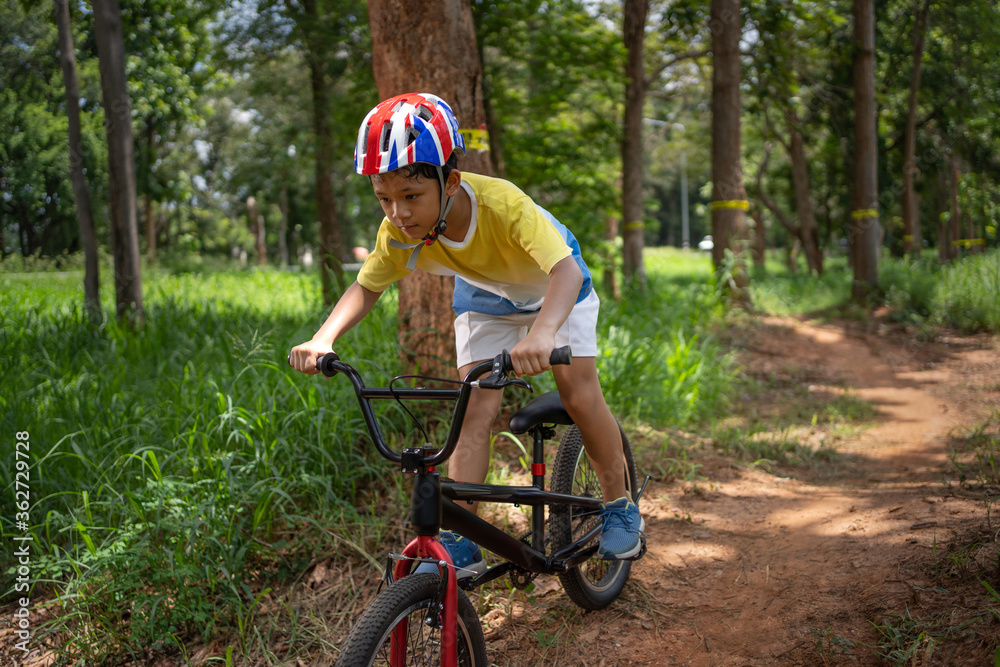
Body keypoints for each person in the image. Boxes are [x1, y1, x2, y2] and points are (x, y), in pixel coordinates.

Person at [288, 92, 644, 575]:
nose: (398, 213)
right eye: (384, 198)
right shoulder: (397, 234)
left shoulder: (502, 204)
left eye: (411, 196)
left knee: (579, 396)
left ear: (450, 181)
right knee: (474, 404)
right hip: (486, 296)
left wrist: (542, 333)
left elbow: (565, 271)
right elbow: (366, 287)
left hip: (557, 285)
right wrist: (322, 337)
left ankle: (619, 506)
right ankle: (462, 540)